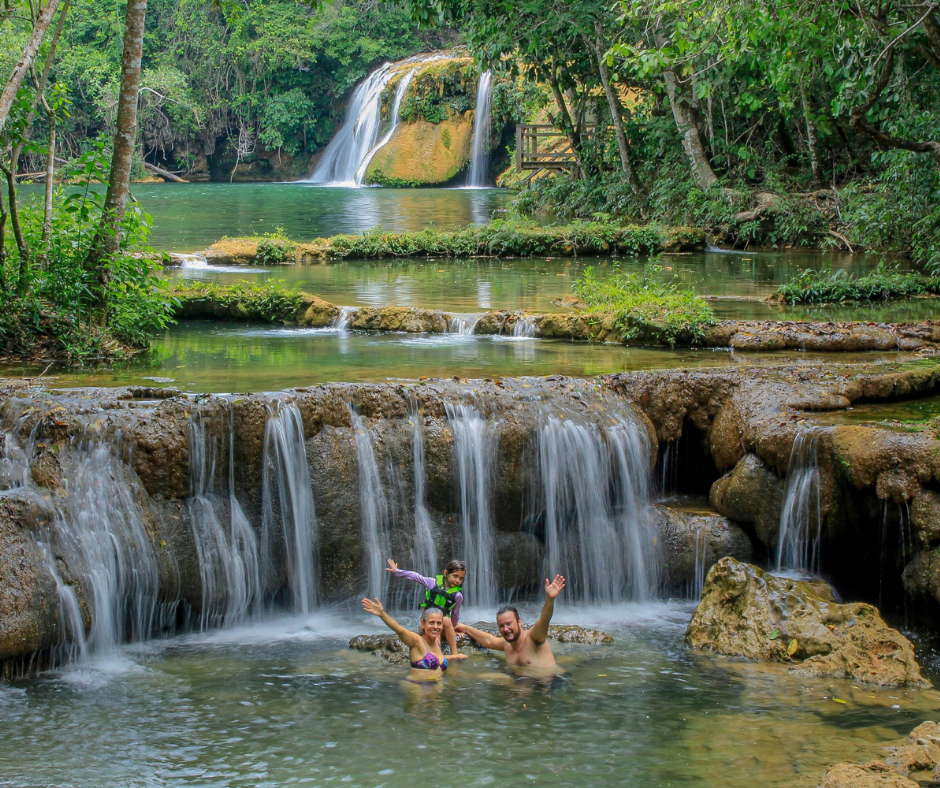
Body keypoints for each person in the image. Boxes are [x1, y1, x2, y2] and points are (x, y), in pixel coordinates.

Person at [455, 574, 566, 677]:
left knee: (499, 678)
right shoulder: (507, 645)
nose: (506, 629)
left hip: (553, 684)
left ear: (519, 622)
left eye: (509, 624)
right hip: (529, 687)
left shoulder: (534, 638)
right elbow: (488, 641)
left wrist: (550, 599)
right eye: (501, 626)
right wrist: (464, 628)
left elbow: (544, 619)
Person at [386, 558, 468, 659]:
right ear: (446, 573)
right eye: (455, 576)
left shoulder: (458, 596)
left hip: (442, 626)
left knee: (446, 620)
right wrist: (397, 571)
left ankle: (454, 653)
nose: (457, 581)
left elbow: (455, 614)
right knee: (439, 622)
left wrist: (454, 628)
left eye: (461, 579)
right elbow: (416, 576)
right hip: (426, 626)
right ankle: (436, 654)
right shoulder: (433, 583)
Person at [362, 597, 449, 683]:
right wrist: (382, 614)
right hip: (418, 687)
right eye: (431, 623)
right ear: (423, 623)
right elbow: (400, 630)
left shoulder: (437, 640)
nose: (435, 627)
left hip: (436, 688)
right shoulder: (417, 641)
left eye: (439, 623)